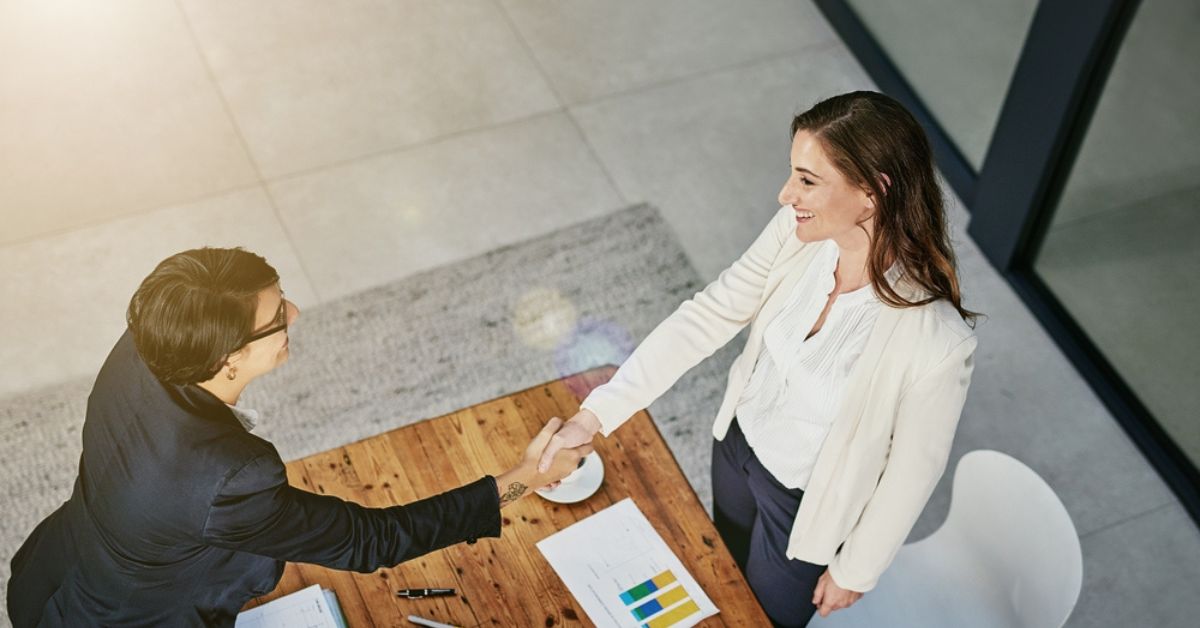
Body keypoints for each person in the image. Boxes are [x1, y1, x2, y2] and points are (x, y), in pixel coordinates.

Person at [537, 91, 979, 626]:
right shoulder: (797, 237)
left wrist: (855, 571)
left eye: (808, 181)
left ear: (872, 193)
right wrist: (594, 415)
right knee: (717, 575)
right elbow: (706, 317)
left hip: (803, 510)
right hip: (736, 447)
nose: (785, 194)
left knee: (759, 619)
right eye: (793, 174)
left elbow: (912, 473)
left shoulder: (938, 343)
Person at [7, 247, 590, 627]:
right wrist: (524, 479)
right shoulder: (231, 478)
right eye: (278, 314)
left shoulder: (146, 340)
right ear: (229, 357)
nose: (297, 312)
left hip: (53, 569)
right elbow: (373, 542)